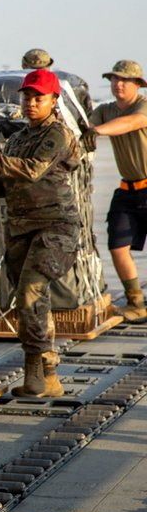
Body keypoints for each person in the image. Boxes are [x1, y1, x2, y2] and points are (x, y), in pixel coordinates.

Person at [0, 70, 81, 397]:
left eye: (38, 98)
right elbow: (0, 186)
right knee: (31, 301)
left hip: (55, 227)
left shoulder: (57, 135)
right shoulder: (18, 138)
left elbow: (32, 171)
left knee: (30, 293)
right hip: (20, 229)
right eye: (27, 97)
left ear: (53, 100)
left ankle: (35, 371)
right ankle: (48, 373)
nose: (30, 103)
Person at [85, 60, 147, 322]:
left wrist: (95, 132)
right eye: (114, 79)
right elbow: (83, 126)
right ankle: (136, 302)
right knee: (118, 245)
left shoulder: (142, 106)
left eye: (124, 80)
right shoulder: (105, 111)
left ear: (137, 85)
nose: (118, 84)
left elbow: (133, 122)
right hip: (127, 188)